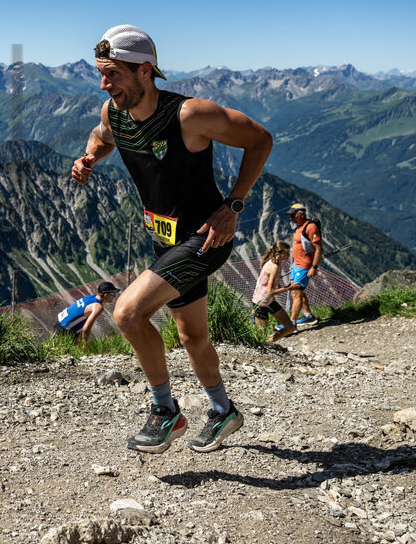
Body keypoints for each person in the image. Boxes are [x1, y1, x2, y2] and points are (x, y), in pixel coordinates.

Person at [71, 24, 273, 453]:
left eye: (113, 74)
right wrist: (89, 157)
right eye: (101, 74)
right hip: (164, 240)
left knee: (126, 313)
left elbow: (260, 140)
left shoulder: (190, 115)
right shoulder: (114, 112)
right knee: (191, 337)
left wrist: (232, 206)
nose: (105, 84)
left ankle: (165, 411)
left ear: (145, 71)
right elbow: (101, 136)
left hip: (205, 238)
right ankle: (223, 411)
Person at [252, 242, 298, 342]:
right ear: (277, 253)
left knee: (290, 327)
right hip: (260, 303)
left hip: (269, 301)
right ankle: (264, 346)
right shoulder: (274, 267)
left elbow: (271, 284)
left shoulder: (277, 263)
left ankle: (269, 342)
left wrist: (281, 286)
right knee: (260, 337)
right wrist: (288, 288)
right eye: (286, 253)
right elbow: (270, 291)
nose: (288, 256)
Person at [285, 203, 322, 326]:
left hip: (304, 266)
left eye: (293, 215)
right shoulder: (299, 227)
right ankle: (308, 316)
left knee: (297, 293)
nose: (291, 218)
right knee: (296, 292)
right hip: (296, 265)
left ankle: (291, 324)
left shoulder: (310, 227)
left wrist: (314, 267)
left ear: (300, 214)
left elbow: (319, 248)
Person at [55, 281, 119, 344]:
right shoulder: (98, 307)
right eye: (113, 294)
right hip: (65, 330)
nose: (114, 296)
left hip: (59, 323)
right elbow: (86, 328)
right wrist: (84, 345)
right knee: (81, 351)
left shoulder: (92, 297)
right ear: (106, 295)